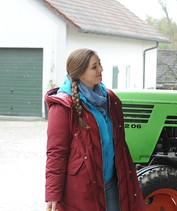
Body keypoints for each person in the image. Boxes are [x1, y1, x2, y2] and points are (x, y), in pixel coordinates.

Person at [45, 48, 146, 211]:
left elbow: (119, 144)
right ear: (79, 73)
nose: (101, 69)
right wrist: (53, 194)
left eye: (100, 64)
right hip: (83, 190)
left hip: (112, 184)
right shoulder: (63, 107)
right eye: (94, 67)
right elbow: (56, 153)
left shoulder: (110, 100)